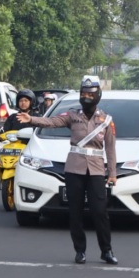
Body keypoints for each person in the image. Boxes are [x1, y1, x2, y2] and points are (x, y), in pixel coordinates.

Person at [17, 76, 118, 265]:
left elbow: (111, 149)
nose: (86, 97)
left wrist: (112, 173)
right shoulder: (72, 115)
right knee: (75, 212)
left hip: (96, 170)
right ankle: (80, 251)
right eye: (83, 93)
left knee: (99, 211)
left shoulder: (106, 120)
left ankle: (107, 250)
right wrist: (31, 119)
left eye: (90, 93)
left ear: (98, 95)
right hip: (74, 169)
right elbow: (52, 122)